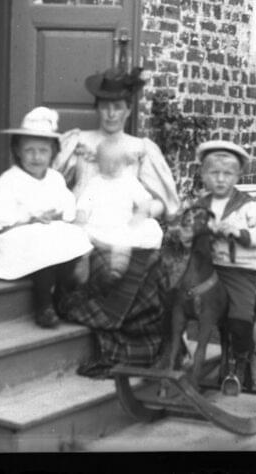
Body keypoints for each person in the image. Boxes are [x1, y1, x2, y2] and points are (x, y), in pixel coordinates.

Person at [53, 66, 181, 377]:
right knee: (100, 267)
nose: (111, 114)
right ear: (97, 107)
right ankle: (112, 350)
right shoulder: (78, 142)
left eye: (118, 107)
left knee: (151, 268)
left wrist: (144, 211)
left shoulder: (141, 149)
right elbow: (53, 186)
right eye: (105, 106)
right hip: (87, 230)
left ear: (127, 109)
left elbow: (166, 204)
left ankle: (139, 352)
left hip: (128, 230)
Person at [0, 107, 93, 328]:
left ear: (53, 153)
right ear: (17, 151)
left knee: (73, 235)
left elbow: (67, 208)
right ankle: (43, 304)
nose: (36, 157)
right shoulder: (10, 180)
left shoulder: (54, 178)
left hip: (44, 234)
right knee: (40, 239)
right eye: (29, 151)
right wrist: (30, 218)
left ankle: (63, 294)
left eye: (43, 151)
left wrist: (57, 215)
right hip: (11, 239)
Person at [192, 139, 256, 391]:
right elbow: (187, 226)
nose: (220, 179)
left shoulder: (249, 206)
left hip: (239, 270)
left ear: (237, 175)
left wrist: (238, 232)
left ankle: (240, 361)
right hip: (209, 269)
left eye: (227, 174)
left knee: (240, 317)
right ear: (204, 175)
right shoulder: (201, 204)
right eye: (214, 173)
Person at [74, 136, 164, 281]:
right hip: (99, 226)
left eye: (116, 162)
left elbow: (145, 200)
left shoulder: (128, 181)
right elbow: (84, 205)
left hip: (123, 224)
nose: (111, 167)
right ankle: (84, 261)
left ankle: (119, 264)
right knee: (80, 233)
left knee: (149, 228)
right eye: (106, 163)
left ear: (124, 162)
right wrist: (81, 217)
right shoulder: (94, 183)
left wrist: (140, 214)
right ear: (98, 163)